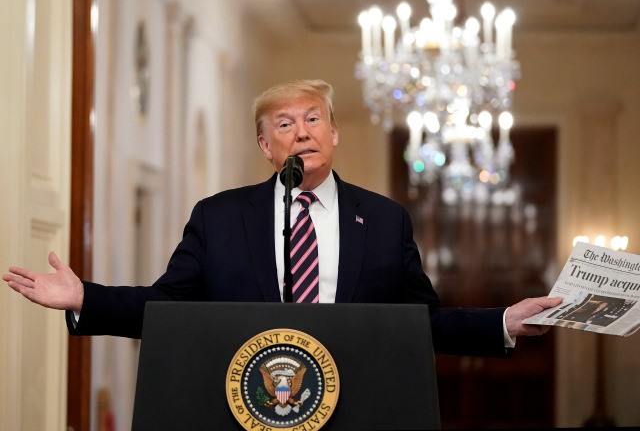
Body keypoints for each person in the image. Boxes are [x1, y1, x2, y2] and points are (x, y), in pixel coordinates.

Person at [3, 79, 561, 357]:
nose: (303, 132)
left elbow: (421, 323)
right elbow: (169, 306)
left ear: (335, 134)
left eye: (314, 118)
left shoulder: (386, 220)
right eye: (285, 124)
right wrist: (85, 298)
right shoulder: (219, 217)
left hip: (359, 404)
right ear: (266, 146)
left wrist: (503, 322)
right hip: (246, 406)